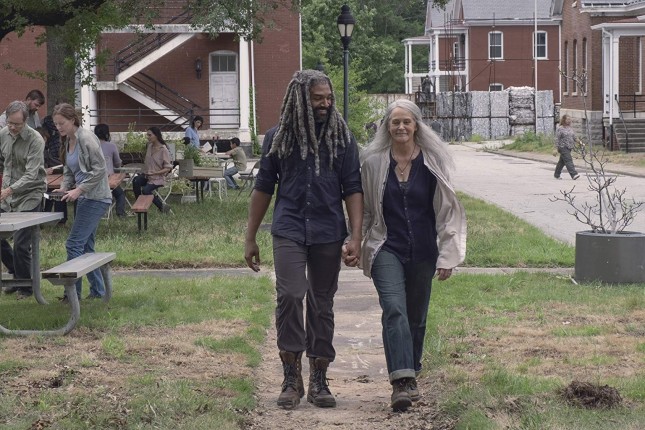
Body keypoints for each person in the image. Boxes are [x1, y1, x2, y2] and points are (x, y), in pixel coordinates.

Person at [244, 69, 363, 410]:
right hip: (289, 228)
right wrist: (250, 237)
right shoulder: (278, 137)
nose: (325, 104)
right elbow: (263, 188)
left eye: (328, 98)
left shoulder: (342, 138)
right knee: (291, 295)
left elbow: (352, 188)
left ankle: (319, 377)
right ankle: (291, 375)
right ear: (300, 100)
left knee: (322, 302)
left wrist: (355, 236)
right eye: (317, 99)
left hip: (328, 231)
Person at [352, 99, 466, 412]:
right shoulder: (373, 162)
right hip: (385, 246)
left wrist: (447, 255)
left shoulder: (432, 161)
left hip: (424, 250)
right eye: (395, 122)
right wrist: (354, 240)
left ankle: (411, 369)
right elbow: (363, 207)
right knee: (394, 309)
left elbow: (446, 211)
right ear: (386, 127)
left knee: (416, 316)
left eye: (407, 122)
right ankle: (401, 381)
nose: (401, 127)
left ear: (416, 126)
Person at [52, 103, 112, 301]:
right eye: (56, 124)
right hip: (84, 197)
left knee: (73, 244)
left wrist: (79, 190)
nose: (58, 127)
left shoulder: (86, 138)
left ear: (72, 120)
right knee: (85, 247)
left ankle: (72, 295)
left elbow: (100, 169)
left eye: (62, 123)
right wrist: (64, 187)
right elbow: (69, 169)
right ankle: (98, 292)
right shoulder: (67, 140)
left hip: (96, 197)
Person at [0, 101, 47, 299]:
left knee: (20, 243)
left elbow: (31, 175)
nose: (12, 127)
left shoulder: (35, 140)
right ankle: (16, 272)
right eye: (9, 122)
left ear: (26, 121)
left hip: (30, 193)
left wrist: (9, 190)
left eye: (16, 124)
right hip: (7, 193)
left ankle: (26, 287)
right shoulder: (3, 134)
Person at [132, 127, 172, 213]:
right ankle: (139, 205)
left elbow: (167, 168)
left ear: (156, 135)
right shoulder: (149, 146)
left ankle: (162, 207)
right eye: (147, 135)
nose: (148, 137)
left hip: (158, 178)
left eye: (150, 135)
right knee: (136, 180)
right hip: (147, 176)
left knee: (146, 190)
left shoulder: (163, 150)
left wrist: (155, 173)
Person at [39, 116, 68, 225]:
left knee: (57, 191)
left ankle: (60, 219)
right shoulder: (35, 151)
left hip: (48, 180)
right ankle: (48, 218)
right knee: (54, 192)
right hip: (38, 183)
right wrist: (44, 170)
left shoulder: (46, 149)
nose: (45, 142)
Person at [95, 124, 127, 217]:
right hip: (108, 179)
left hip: (93, 179)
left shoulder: (90, 146)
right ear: (107, 134)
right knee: (120, 194)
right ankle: (120, 213)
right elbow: (118, 163)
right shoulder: (111, 146)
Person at [554, 114, 580, 180]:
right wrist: (555, 148)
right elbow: (557, 139)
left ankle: (556, 174)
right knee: (568, 160)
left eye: (570, 119)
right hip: (562, 147)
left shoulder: (570, 128)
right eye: (567, 119)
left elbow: (574, 137)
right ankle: (574, 174)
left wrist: (580, 142)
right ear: (564, 120)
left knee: (561, 162)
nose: (569, 120)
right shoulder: (560, 128)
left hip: (569, 147)